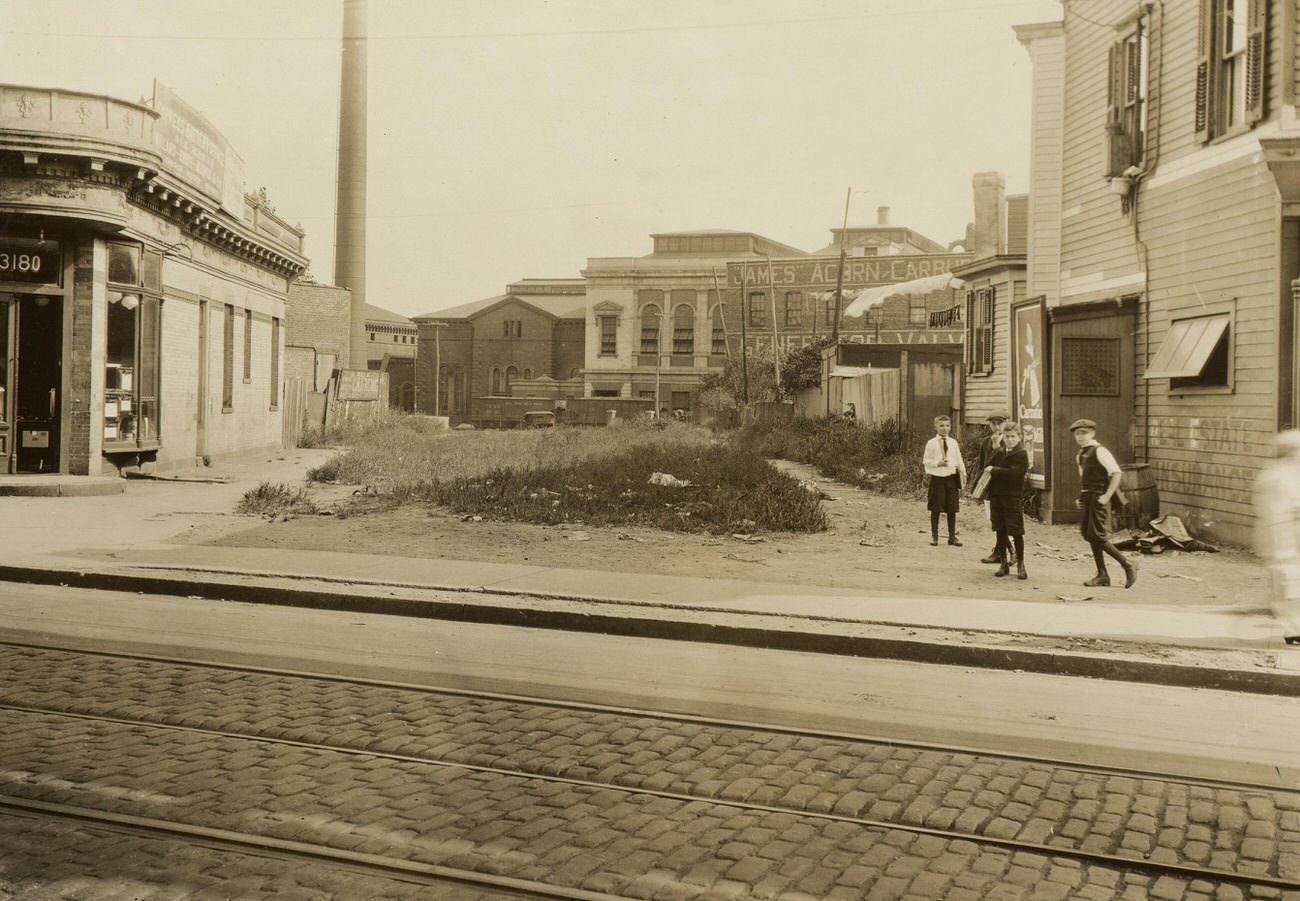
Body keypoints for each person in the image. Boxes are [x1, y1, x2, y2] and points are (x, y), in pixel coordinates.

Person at [1070, 419, 1137, 588]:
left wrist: (1107, 496)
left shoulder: (1100, 451)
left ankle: (1128, 564)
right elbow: (1084, 480)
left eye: (1084, 433)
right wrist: (1080, 498)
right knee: (1089, 535)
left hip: (1100, 497)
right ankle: (1102, 575)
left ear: (1092, 433)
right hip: (1088, 497)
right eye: (1077, 433)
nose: (1080, 436)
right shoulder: (1081, 455)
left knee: (1097, 536)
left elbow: (1116, 473)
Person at [1254, 430, 1300, 646]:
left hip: (1288, 536)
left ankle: (1294, 628)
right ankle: (1294, 628)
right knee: (1289, 584)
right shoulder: (1279, 476)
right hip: (1284, 537)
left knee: (1289, 585)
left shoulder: (1288, 472)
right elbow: (1279, 511)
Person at [983, 420, 1030, 580]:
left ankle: (1021, 564)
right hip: (997, 496)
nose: (1010, 439)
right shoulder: (1001, 451)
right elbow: (987, 465)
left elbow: (1014, 474)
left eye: (1013, 436)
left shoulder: (1022, 454)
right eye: (1007, 436)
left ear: (1020, 437)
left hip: (1012, 497)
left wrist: (995, 470)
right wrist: (995, 452)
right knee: (1000, 530)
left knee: (1016, 531)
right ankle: (1003, 563)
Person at [922, 415, 966, 547]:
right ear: (935, 427)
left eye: (947, 425)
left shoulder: (953, 443)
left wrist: (963, 473)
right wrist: (937, 463)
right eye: (941, 426)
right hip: (937, 478)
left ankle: (952, 536)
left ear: (950, 427)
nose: (944, 428)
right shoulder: (931, 443)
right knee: (936, 507)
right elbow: (926, 460)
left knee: (952, 507)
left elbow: (959, 459)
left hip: (951, 477)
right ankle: (934, 536)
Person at [974, 411, 1009, 564]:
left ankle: (1003, 552)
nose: (996, 427)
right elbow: (983, 465)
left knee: (1004, 521)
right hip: (990, 487)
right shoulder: (986, 443)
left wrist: (997, 447)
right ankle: (1000, 551)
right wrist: (978, 486)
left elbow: (1009, 465)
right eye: (993, 423)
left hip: (1006, 487)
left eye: (999, 423)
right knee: (995, 521)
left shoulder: (1010, 441)